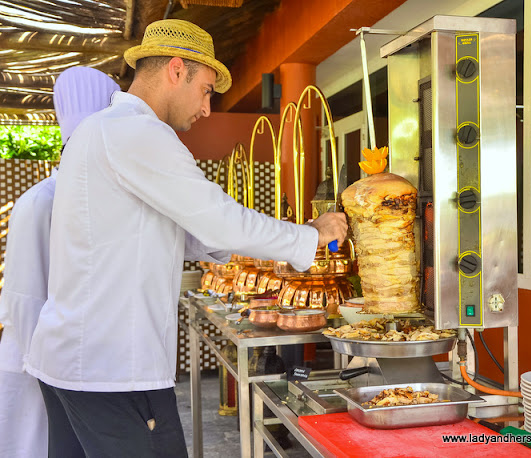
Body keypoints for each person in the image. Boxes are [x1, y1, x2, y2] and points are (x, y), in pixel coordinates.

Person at [25, 19, 347, 457]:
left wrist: (262, 246)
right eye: (207, 90)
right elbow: (217, 218)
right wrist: (310, 235)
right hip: (111, 370)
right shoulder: (136, 131)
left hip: (73, 362)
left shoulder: (102, 131)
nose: (207, 108)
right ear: (177, 70)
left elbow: (184, 232)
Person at [0, 67, 120, 458]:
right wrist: (49, 368)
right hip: (33, 362)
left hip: (76, 365)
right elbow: (23, 297)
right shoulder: (39, 202)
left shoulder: (105, 201)